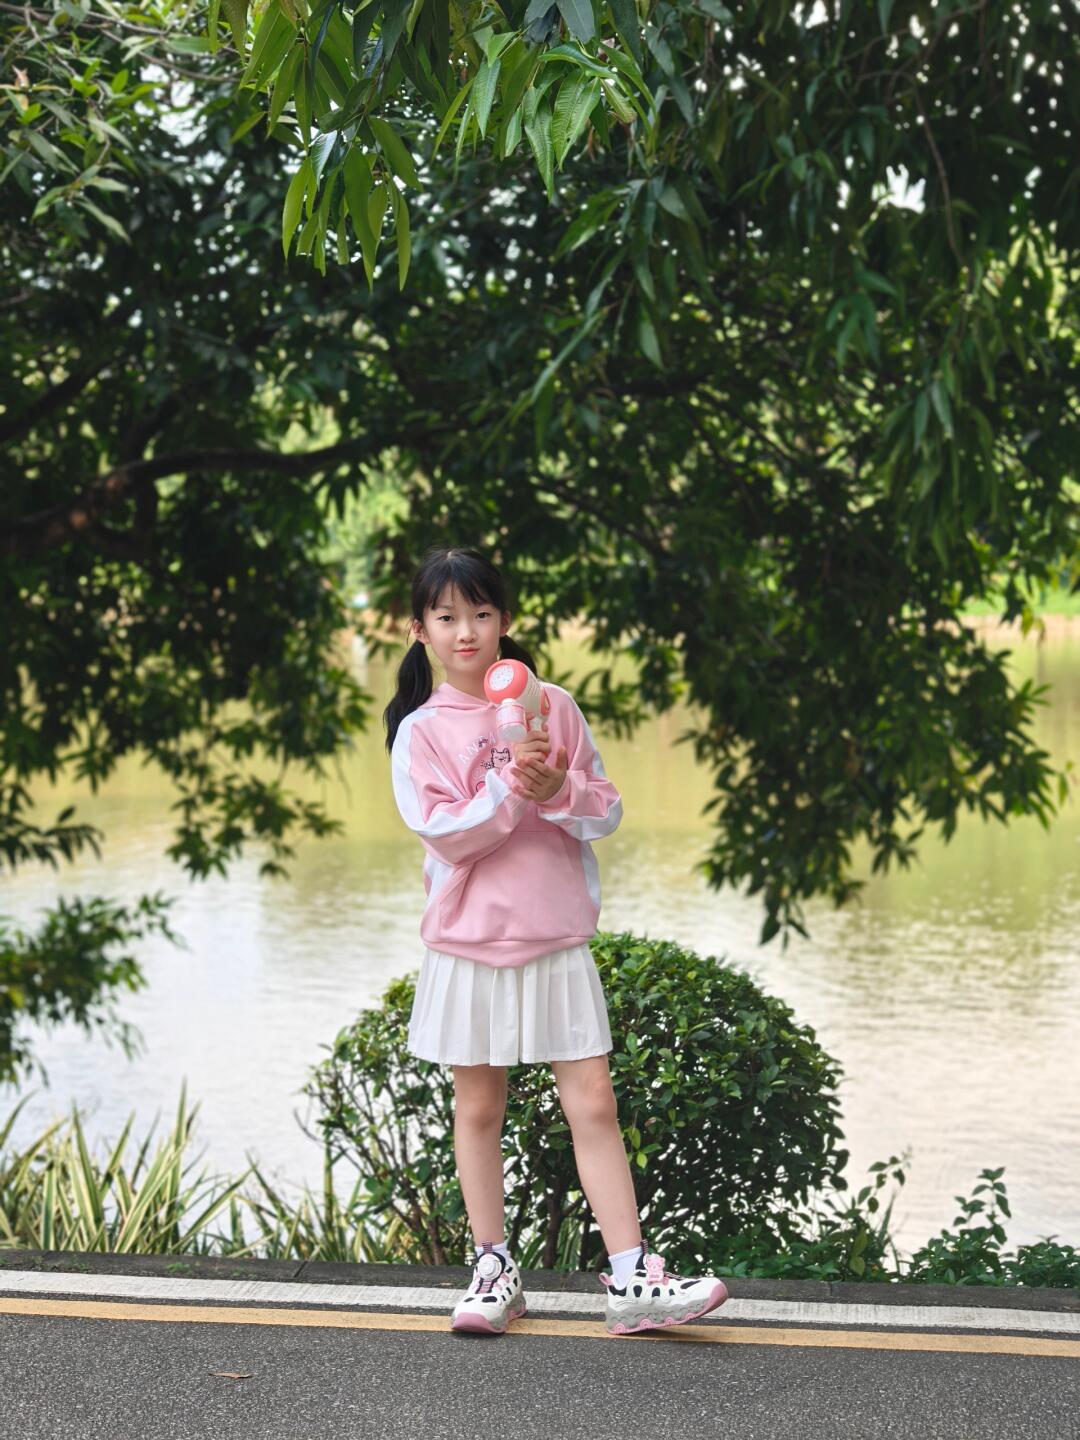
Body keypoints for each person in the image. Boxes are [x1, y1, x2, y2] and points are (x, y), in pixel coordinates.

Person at [384, 543, 728, 1336]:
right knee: (479, 1107)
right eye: (446, 617)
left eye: (480, 614)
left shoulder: (554, 706)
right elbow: (446, 835)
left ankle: (630, 1276)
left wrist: (558, 786)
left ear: (504, 620)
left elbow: (604, 809)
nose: (466, 632)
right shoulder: (421, 732)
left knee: (594, 1101)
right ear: (420, 629)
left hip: (556, 935)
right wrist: (513, 787)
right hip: (469, 943)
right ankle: (493, 1270)